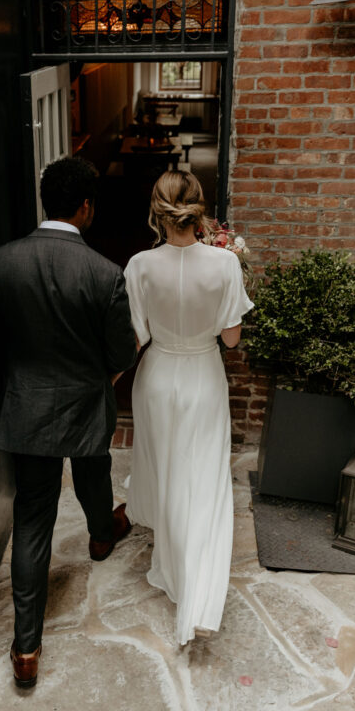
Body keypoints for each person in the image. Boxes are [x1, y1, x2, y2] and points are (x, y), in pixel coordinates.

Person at [0, 156, 138, 688]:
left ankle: (26, 649)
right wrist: (104, 377)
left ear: (46, 200)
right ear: (86, 206)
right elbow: (123, 348)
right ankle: (101, 535)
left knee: (32, 520)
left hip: (28, 404)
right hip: (86, 400)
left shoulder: (0, 262)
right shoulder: (104, 273)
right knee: (94, 473)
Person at [124, 170, 253, 645]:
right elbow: (231, 338)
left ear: (158, 211)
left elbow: (137, 337)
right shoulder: (224, 265)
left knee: (166, 468)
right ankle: (196, 582)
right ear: (199, 209)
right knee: (202, 476)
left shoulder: (138, 265)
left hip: (157, 376)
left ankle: (173, 564)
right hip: (201, 376)